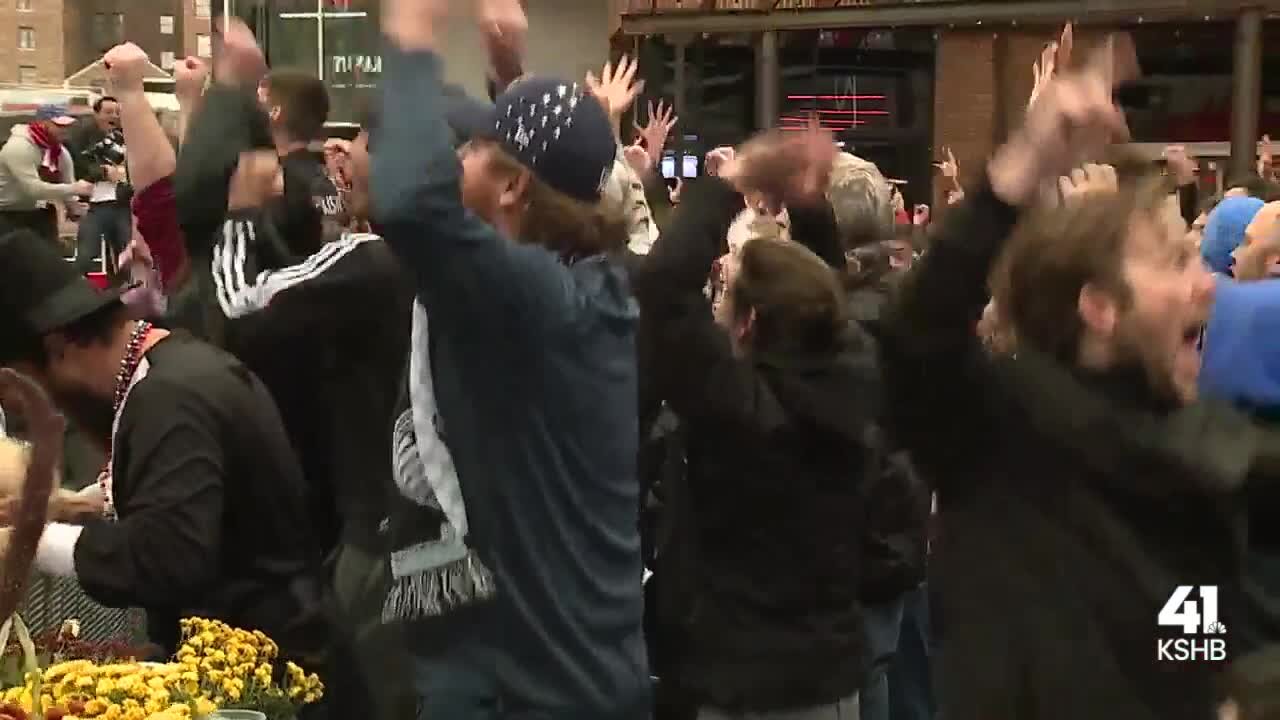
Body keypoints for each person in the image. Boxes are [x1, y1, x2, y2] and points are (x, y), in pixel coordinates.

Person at [881, 40, 1263, 719]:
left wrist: (1219, 696)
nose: (1207, 284)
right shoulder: (998, 432)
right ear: (1100, 306)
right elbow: (917, 335)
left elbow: (1194, 641)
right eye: (1174, 262)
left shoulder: (1207, 452)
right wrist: (1017, 173)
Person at [373, 0, 648, 716]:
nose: (455, 158)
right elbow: (532, 172)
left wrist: (411, 37)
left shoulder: (533, 304)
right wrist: (509, 77)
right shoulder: (587, 285)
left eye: (471, 151)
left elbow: (408, 203)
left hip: (536, 692)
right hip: (566, 669)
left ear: (511, 187)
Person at [174, 24, 416, 720]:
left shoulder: (370, 259)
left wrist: (240, 213)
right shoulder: (467, 254)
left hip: (375, 531)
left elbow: (238, 309)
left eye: (361, 141)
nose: (346, 157)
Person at [633, 128, 879, 719]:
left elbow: (663, 288)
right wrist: (808, 204)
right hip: (830, 679)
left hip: (750, 689)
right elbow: (823, 293)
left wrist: (731, 184)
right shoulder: (849, 377)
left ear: (746, 325)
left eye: (726, 299)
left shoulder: (739, 412)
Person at [0, 229, 327, 665]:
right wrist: (73, 506)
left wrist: (27, 540)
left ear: (57, 349)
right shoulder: (169, 369)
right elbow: (181, 491)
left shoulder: (169, 400)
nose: (18, 408)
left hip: (274, 670)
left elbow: (169, 555)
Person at [0, 105, 92, 243]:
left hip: (39, 210)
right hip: (7, 212)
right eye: (59, 125)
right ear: (42, 123)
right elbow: (33, 189)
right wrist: (74, 188)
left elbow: (68, 181)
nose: (65, 130)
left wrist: (73, 205)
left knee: (50, 252)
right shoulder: (19, 147)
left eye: (67, 125)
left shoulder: (59, 151)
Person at [67, 96, 131, 274]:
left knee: (125, 254)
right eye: (108, 112)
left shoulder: (125, 138)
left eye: (117, 112)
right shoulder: (82, 138)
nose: (114, 116)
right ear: (96, 114)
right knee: (86, 254)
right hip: (93, 206)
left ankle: (123, 287)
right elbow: (79, 166)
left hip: (121, 204)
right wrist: (103, 172)